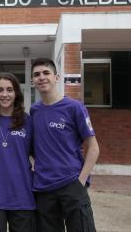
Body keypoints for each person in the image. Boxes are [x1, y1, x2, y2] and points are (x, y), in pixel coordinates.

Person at [30, 58, 100, 232]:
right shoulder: (34, 111)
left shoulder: (74, 107)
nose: (41, 77)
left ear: (56, 77)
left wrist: (81, 181)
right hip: (44, 188)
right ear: (32, 81)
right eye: (37, 74)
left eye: (46, 73)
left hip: (71, 184)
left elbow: (93, 147)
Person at [0, 73, 36, 232]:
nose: (4, 94)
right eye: (0, 90)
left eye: (9, 90)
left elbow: (39, 153)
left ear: (16, 93)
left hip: (22, 194)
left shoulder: (27, 121)